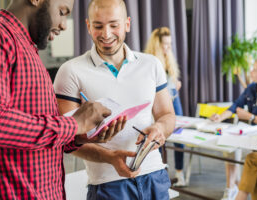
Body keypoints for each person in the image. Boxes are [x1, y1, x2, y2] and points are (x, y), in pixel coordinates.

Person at [0, 0, 126, 199]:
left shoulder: (27, 48)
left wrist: (79, 135)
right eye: (61, 11)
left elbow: (39, 135)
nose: (64, 25)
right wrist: (74, 124)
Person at [53, 0, 176, 199]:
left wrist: (160, 128)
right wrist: (109, 158)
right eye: (98, 26)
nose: (106, 34)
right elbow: (65, 138)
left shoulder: (151, 64)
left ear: (127, 24)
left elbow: (167, 114)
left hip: (155, 175)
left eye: (114, 25)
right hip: (108, 184)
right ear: (88, 26)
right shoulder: (70, 71)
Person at [210, 58, 257, 200]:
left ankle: (240, 192)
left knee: (252, 162)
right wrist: (220, 117)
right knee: (229, 145)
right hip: (250, 132)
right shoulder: (251, 88)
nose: (251, 72)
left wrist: (250, 117)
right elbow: (236, 106)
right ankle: (231, 187)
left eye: (255, 70)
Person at [144, 27, 186, 187]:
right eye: (165, 45)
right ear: (156, 45)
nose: (168, 48)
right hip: (159, 100)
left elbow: (171, 79)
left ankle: (180, 174)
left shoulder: (169, 58)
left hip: (173, 96)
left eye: (170, 44)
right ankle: (160, 173)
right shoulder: (151, 61)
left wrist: (175, 83)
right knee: (159, 136)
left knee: (179, 134)